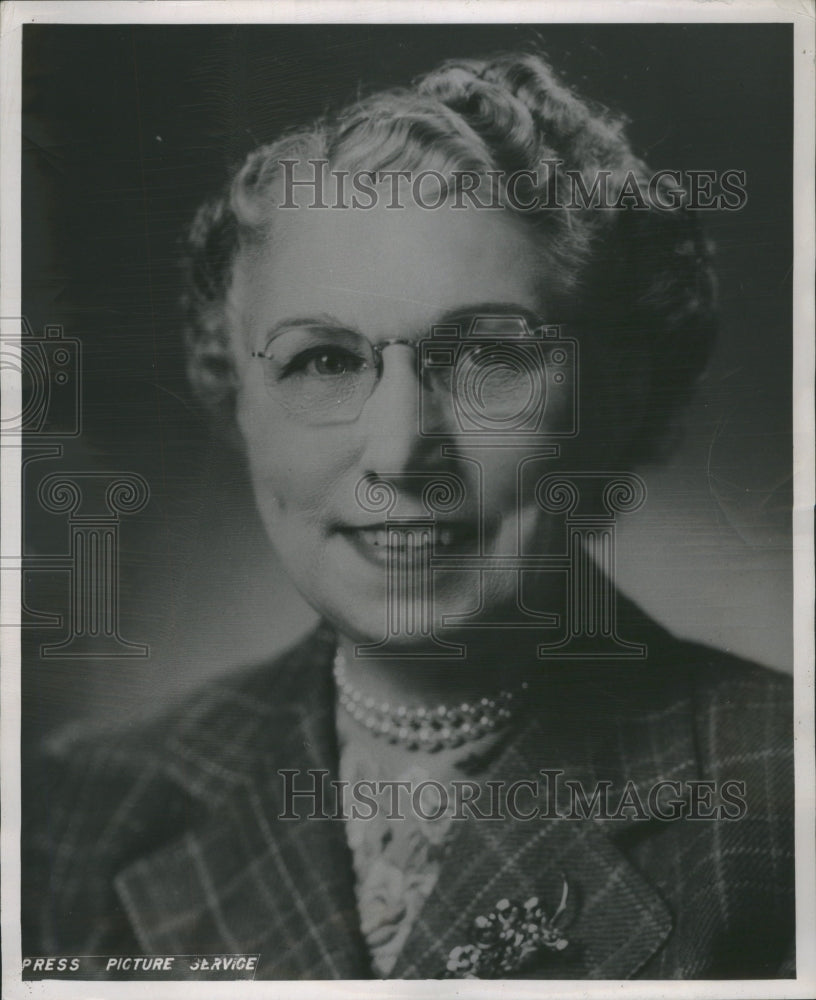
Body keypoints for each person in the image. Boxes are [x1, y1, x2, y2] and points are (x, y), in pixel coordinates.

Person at [23, 50, 794, 980]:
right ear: (239, 400)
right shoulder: (78, 813)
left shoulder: (781, 792)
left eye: (488, 359)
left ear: (620, 395)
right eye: (324, 361)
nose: (397, 452)